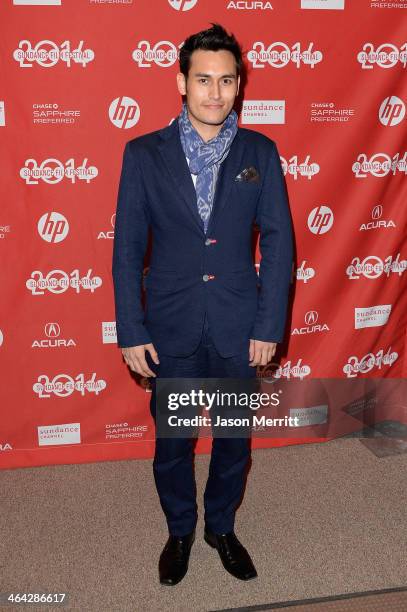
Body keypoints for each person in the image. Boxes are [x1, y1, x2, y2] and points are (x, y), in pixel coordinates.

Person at [112, 23, 293, 586]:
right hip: (171, 326)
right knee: (174, 443)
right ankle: (180, 530)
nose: (215, 93)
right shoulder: (143, 154)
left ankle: (220, 527)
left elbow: (280, 244)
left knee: (234, 440)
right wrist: (131, 328)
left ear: (239, 86)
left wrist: (269, 325)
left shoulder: (261, 151)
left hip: (241, 326)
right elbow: (126, 251)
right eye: (203, 80)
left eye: (226, 81)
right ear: (181, 83)